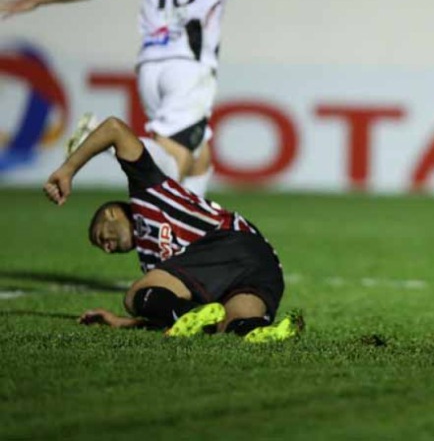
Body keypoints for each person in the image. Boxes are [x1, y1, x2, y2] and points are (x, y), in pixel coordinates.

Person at [4, 0, 379, 197]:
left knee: (199, 158)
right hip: (189, 67)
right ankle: (100, 139)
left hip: (150, 67)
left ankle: (190, 245)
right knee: (173, 159)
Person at [43, 115, 302, 342]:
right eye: (105, 249)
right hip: (264, 263)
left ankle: (195, 312)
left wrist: (68, 170)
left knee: (135, 295)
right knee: (230, 326)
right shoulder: (151, 263)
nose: (107, 247)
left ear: (111, 214)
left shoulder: (147, 191)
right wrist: (120, 322)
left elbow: (113, 128)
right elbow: (169, 316)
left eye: (102, 237)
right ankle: (262, 330)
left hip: (228, 240)